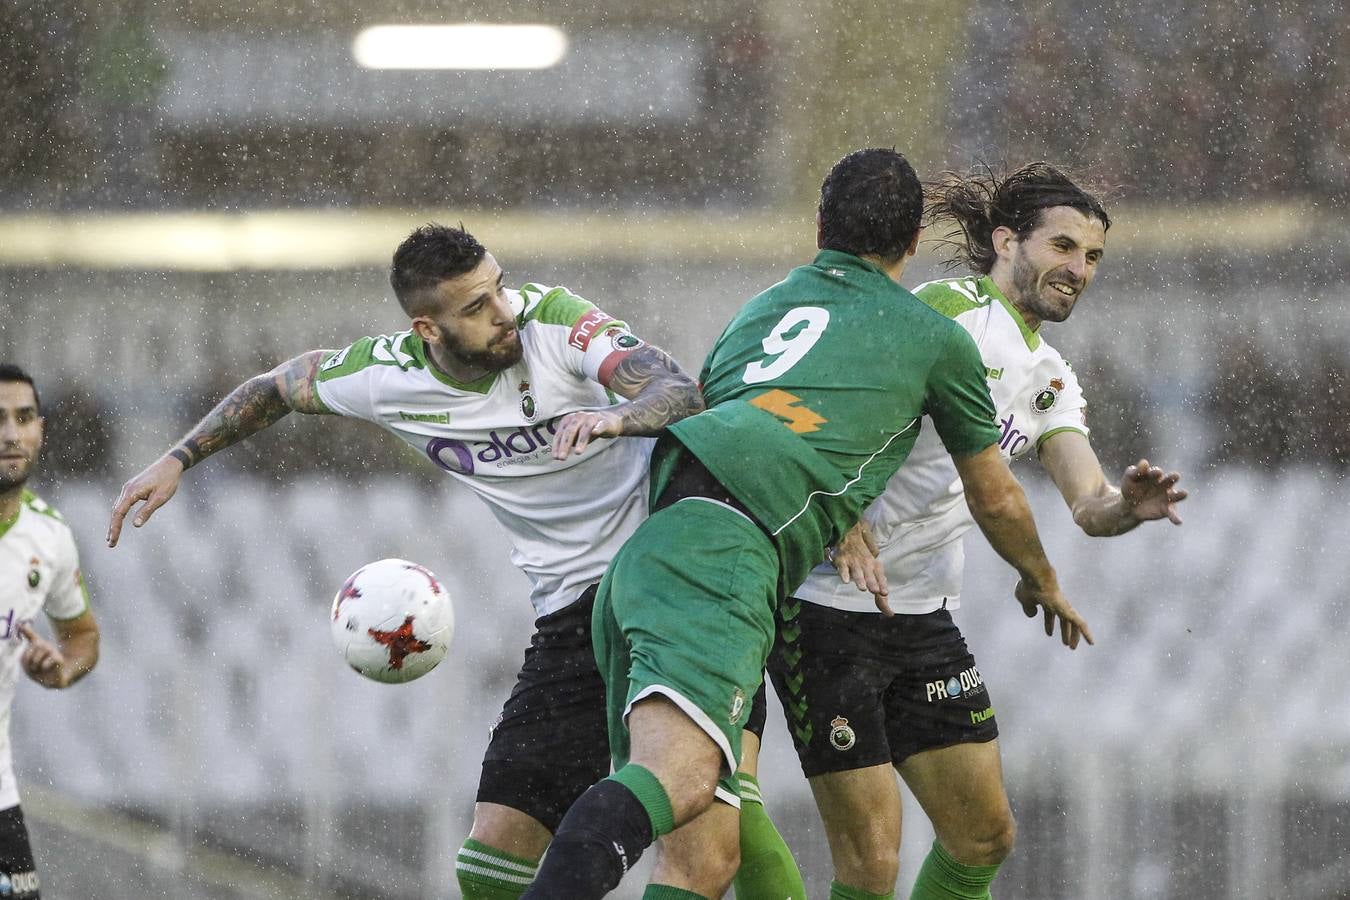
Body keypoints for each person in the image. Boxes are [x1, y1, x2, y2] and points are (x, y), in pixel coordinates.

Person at [105, 224, 802, 900]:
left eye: (499, 288)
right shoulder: (385, 375)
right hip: (570, 611)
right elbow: (277, 387)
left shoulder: (555, 321)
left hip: (674, 586)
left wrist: (618, 417)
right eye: (477, 307)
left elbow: (677, 389)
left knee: (708, 851)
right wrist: (177, 459)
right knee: (493, 855)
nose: (504, 313)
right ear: (427, 330)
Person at [522, 148, 1083, 900]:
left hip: (653, 555)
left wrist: (836, 510)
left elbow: (721, 414)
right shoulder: (933, 334)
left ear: (820, 226)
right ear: (913, 243)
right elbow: (999, 498)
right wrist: (1042, 578)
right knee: (679, 781)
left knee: (704, 858)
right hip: (727, 562)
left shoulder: (760, 310)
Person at [766, 162, 1188, 900]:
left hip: (923, 616)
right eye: (1061, 247)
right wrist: (843, 515)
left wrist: (1127, 505)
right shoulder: (948, 309)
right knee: (869, 866)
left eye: (1091, 257)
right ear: (1006, 240)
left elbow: (1087, 503)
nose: (1077, 270)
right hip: (826, 609)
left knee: (982, 837)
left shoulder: (1048, 372)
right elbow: (825, 400)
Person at [0, 365, 101, 899]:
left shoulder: (50, 538)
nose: (10, 435)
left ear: (41, 428)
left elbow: (83, 636)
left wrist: (61, 670)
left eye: (23, 417)